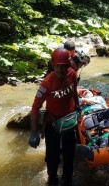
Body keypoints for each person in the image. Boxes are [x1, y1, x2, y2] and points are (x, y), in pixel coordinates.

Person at [29, 48, 79, 186]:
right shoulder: (46, 84)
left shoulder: (72, 74)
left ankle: (67, 178)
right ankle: (52, 178)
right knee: (52, 155)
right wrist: (34, 132)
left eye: (63, 67)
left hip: (69, 121)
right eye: (57, 66)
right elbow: (35, 107)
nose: (60, 71)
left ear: (68, 66)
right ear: (52, 65)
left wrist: (78, 107)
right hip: (53, 123)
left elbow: (74, 92)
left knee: (69, 154)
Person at [75, 89, 109, 160]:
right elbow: (77, 101)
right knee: (91, 128)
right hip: (89, 114)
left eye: (88, 91)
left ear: (93, 93)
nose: (86, 92)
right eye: (84, 93)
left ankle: (94, 149)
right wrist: (85, 100)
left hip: (102, 112)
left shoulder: (100, 98)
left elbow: (106, 106)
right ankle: (100, 144)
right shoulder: (80, 99)